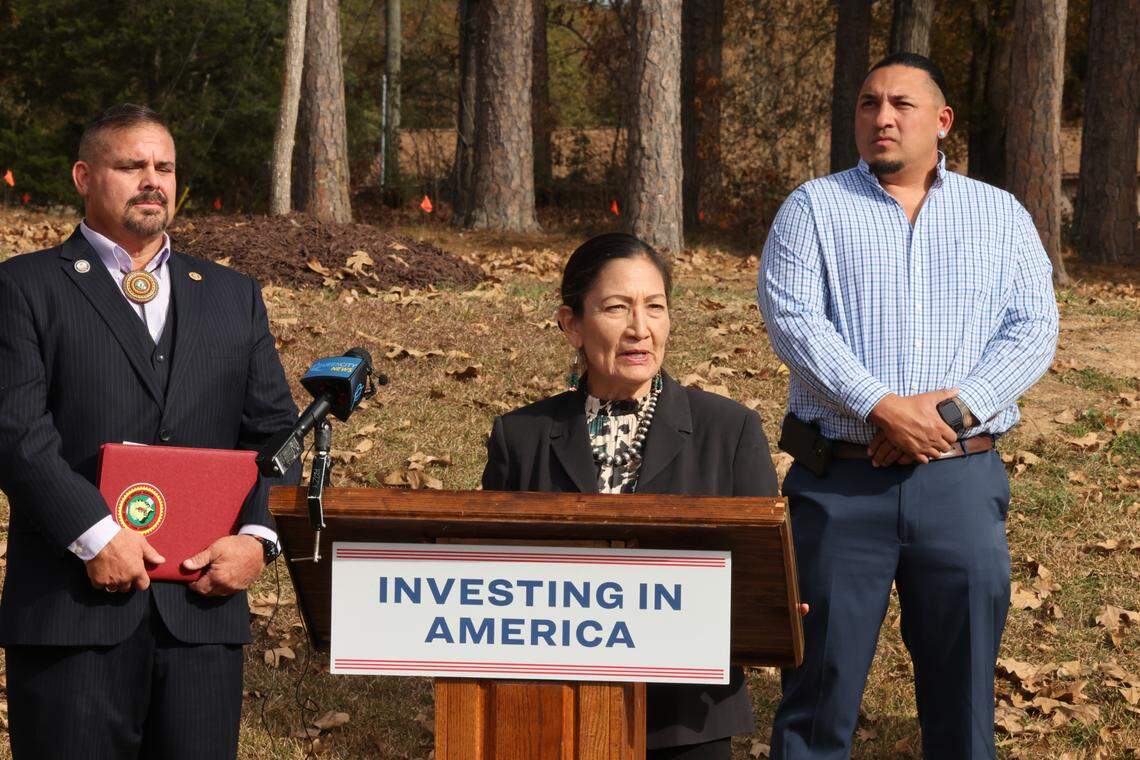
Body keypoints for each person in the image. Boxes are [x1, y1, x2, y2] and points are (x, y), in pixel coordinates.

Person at [758, 53, 1059, 759]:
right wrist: (881, 407)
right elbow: (794, 319)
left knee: (963, 704)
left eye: (900, 104)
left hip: (958, 481)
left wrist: (945, 418)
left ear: (942, 122)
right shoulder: (815, 208)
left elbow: (1033, 328)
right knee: (815, 702)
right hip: (839, 486)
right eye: (867, 104)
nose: (881, 118)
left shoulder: (999, 215)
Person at [0, 104, 300, 759]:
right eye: (131, 165)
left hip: (202, 616)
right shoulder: (23, 287)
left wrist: (259, 538)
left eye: (163, 166)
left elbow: (279, 433)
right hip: (70, 613)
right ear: (84, 176)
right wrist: (96, 535)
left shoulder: (231, 294)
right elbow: (17, 433)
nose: (152, 180)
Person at [482, 232, 780, 759]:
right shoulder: (521, 435)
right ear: (571, 324)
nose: (640, 329)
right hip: (550, 710)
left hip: (689, 718)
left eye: (656, 308)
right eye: (617, 308)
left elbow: (764, 576)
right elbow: (491, 577)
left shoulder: (727, 431)